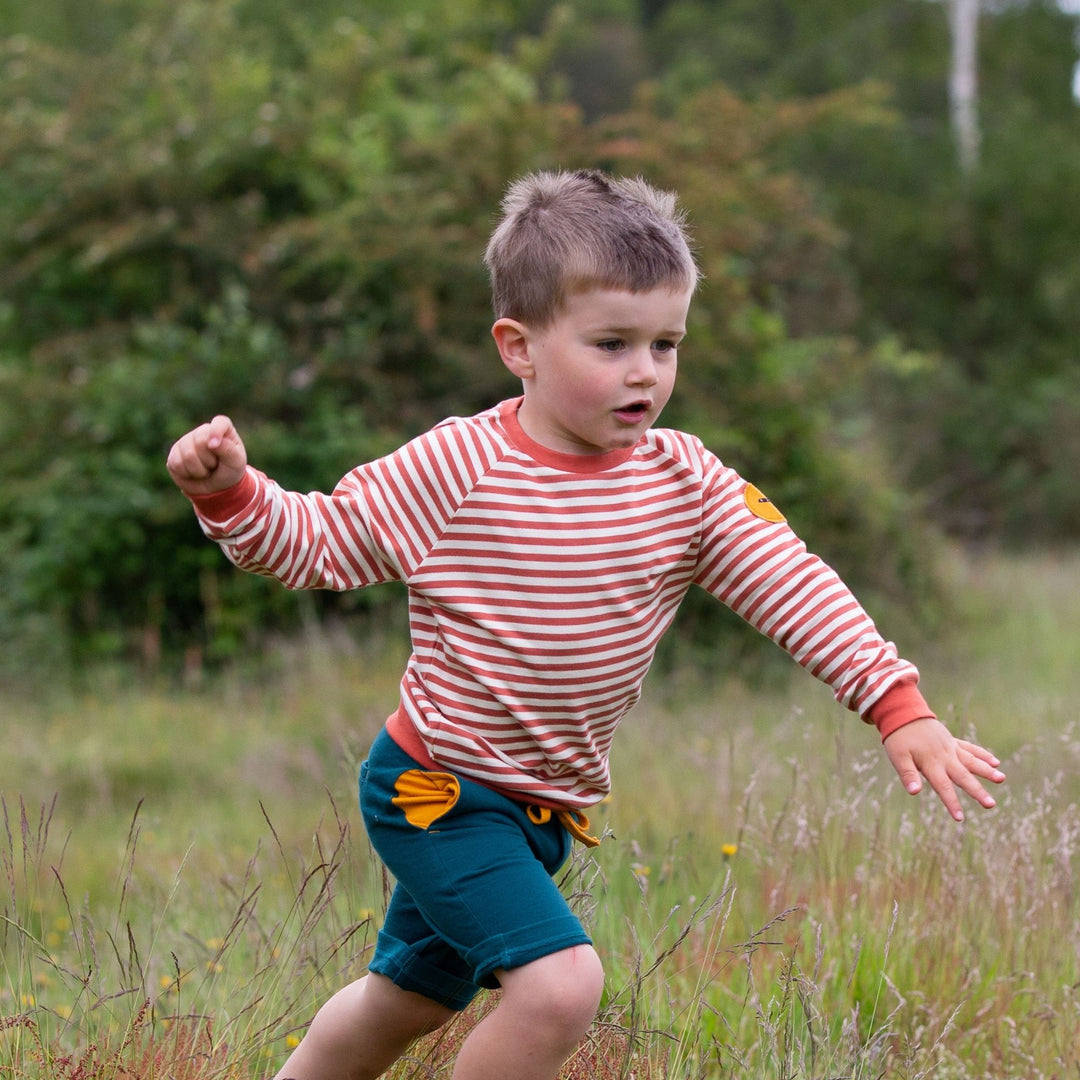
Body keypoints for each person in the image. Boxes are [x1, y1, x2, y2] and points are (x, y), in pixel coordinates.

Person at [166, 169, 1005, 1080]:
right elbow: (319, 544)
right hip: (437, 793)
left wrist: (896, 701)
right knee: (561, 989)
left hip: (545, 808)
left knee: (407, 996)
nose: (644, 370)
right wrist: (231, 494)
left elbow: (791, 583)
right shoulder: (459, 467)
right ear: (519, 346)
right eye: (611, 343)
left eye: (665, 344)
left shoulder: (684, 481)